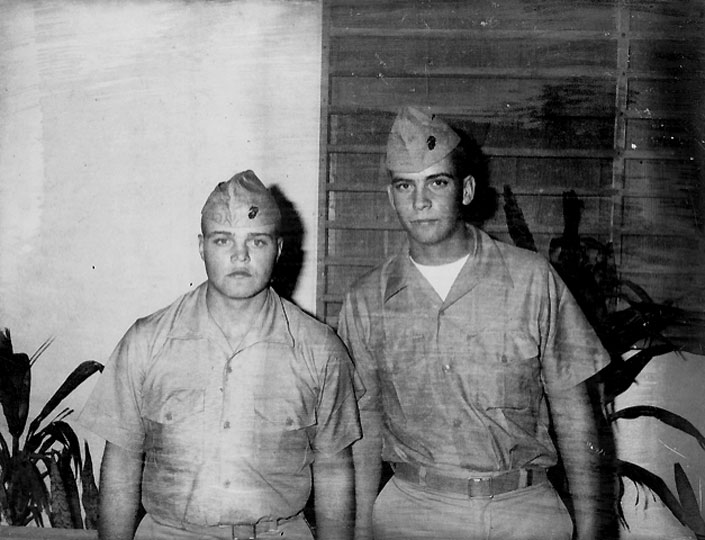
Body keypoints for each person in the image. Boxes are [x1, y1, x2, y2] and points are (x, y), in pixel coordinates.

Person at [337, 107, 610, 540]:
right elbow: (366, 427)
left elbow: (574, 413)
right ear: (391, 196)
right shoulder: (366, 301)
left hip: (523, 513)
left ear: (465, 190)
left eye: (437, 183)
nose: (420, 202)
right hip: (412, 512)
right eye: (405, 186)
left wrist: (593, 528)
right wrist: (362, 530)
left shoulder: (532, 280)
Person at [79, 170, 360, 540]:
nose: (240, 255)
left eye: (256, 242)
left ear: (278, 248)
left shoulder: (320, 349)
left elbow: (334, 469)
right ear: (201, 247)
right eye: (223, 240)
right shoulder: (146, 342)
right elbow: (121, 462)